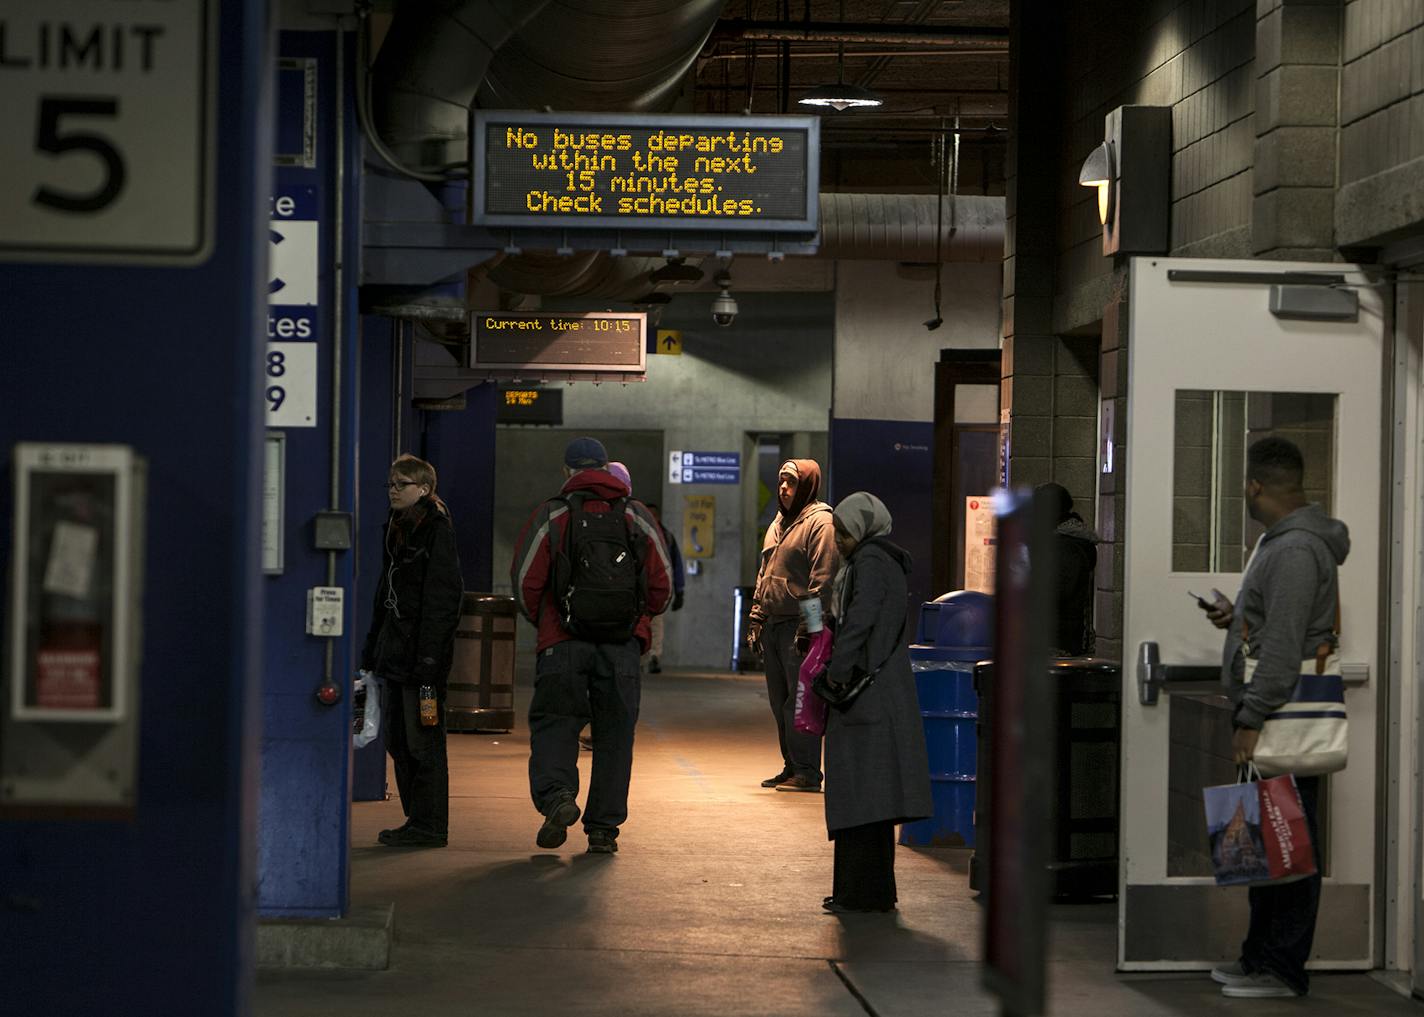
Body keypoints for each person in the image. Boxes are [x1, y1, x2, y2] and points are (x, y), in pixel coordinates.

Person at [1199, 436, 1348, 999]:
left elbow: (1285, 647)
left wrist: (1252, 716)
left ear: (1256, 486)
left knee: (1288, 843)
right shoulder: (1285, 544)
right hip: (1272, 713)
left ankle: (1281, 968)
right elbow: (1279, 627)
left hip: (1279, 717)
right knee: (1267, 840)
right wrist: (1238, 620)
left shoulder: (1292, 550)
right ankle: (1258, 956)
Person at [510, 437, 673, 854]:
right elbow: (662, 588)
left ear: (568, 472)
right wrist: (636, 619)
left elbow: (526, 582)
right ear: (605, 467)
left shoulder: (554, 514)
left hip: (563, 643)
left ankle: (558, 797)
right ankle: (603, 829)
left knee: (555, 724)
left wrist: (549, 621)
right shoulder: (637, 517)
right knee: (615, 736)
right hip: (620, 647)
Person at [817, 492, 933, 913]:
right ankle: (868, 891)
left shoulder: (869, 562)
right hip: (880, 693)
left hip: (866, 697)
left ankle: (860, 894)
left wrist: (836, 672)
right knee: (873, 797)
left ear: (863, 529)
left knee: (861, 795)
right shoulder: (883, 559)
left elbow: (860, 623)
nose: (840, 542)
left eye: (845, 533)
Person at [360, 454, 464, 848]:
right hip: (397, 656)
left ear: (423, 489)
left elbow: (442, 599)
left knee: (424, 740)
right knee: (399, 741)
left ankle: (430, 825)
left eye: (401, 483)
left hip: (422, 665)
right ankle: (418, 819)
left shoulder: (435, 530)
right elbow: (384, 596)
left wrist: (429, 661)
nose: (392, 489)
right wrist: (373, 650)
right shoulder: (397, 529)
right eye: (390, 482)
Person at [747, 459, 839, 792]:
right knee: (779, 700)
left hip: (799, 629)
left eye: (791, 483)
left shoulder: (820, 523)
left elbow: (823, 579)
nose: (784, 489)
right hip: (774, 624)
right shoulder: (778, 523)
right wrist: (757, 615)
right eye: (781, 482)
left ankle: (808, 771)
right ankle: (791, 765)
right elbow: (764, 571)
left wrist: (810, 629)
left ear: (808, 486)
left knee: (800, 702)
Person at [1036, 482, 1100, 656]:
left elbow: (1058, 591)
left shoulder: (1066, 546)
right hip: (1063, 634)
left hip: (1061, 639)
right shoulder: (1068, 541)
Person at [643, 502, 685, 673]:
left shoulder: (666, 536)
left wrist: (679, 591)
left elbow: (676, 565)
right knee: (648, 622)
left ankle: (653, 656)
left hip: (656, 588)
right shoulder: (644, 531)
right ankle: (646, 657)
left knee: (656, 623)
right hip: (643, 588)